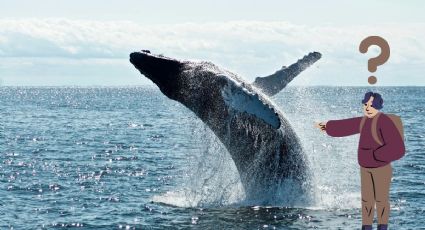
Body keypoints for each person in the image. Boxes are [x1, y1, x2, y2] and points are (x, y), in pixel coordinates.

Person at [315, 92, 405, 230]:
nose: (368, 107)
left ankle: (382, 227)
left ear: (378, 106)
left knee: (381, 200)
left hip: (381, 168)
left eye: (371, 105)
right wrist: (325, 126)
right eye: (366, 104)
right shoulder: (364, 121)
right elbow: (345, 126)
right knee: (367, 200)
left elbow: (398, 147)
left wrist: (377, 155)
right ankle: (367, 227)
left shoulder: (385, 121)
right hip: (366, 167)